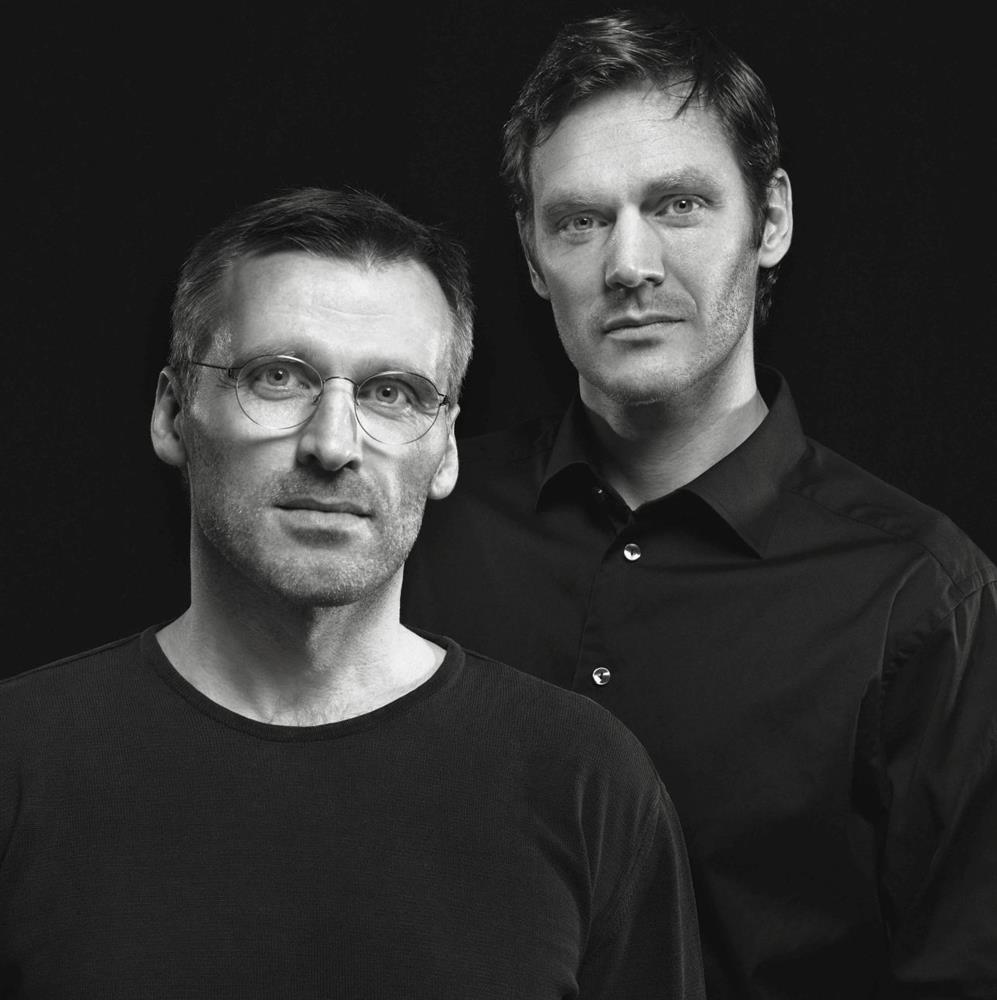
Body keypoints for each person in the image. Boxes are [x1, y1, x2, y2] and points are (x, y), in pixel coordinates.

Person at [401, 11, 997, 999]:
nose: (627, 263)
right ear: (531, 254)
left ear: (772, 221)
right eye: (579, 220)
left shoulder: (922, 598)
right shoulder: (425, 513)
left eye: (677, 204)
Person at [0, 187, 706, 998]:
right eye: (278, 377)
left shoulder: (583, 780)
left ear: (445, 450)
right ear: (172, 413)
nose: (333, 444)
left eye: (391, 393)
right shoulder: (19, 762)